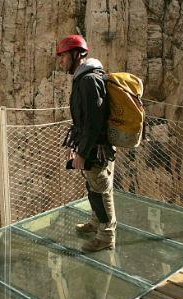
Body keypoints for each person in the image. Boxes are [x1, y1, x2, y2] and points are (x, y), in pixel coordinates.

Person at [57, 34, 117, 252]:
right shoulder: (85, 78)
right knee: (93, 186)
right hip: (94, 146)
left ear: (76, 55)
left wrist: (82, 152)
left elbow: (93, 122)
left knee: (101, 191)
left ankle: (106, 237)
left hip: (96, 148)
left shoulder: (89, 80)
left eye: (63, 56)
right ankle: (96, 223)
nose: (61, 61)